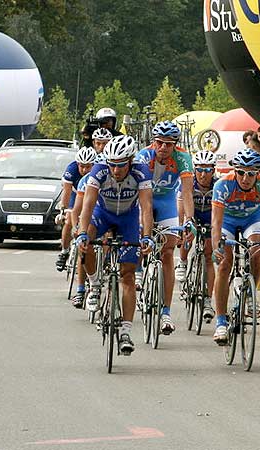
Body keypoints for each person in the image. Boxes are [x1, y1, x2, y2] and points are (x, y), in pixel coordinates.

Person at [76, 135, 153, 355]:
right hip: (103, 214)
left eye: (120, 165)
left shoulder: (141, 172)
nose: (116, 170)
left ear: (130, 161)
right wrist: (82, 233)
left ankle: (126, 332)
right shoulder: (99, 170)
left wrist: (146, 236)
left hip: (128, 218)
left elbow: (146, 207)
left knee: (127, 275)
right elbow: (88, 204)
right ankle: (94, 284)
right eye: (112, 165)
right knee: (87, 238)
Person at [211, 149, 260, 344]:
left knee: (256, 251)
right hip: (227, 221)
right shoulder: (222, 185)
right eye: (241, 172)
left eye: (251, 174)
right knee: (225, 264)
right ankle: (220, 322)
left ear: (258, 174)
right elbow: (216, 222)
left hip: (251, 220)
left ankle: (250, 295)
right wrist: (216, 246)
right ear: (234, 171)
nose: (245, 178)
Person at [136, 121, 194, 335]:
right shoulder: (143, 156)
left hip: (167, 202)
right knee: (141, 238)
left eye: (168, 144)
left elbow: (187, 193)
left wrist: (189, 220)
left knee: (168, 251)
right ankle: (139, 271)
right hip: (144, 201)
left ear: (175, 145)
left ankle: (166, 312)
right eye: (160, 143)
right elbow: (144, 197)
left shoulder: (183, 158)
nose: (163, 148)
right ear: (154, 142)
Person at [175, 150, 218, 322]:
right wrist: (182, 227)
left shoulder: (218, 185)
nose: (203, 174)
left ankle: (207, 300)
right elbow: (180, 207)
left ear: (213, 171)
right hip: (191, 214)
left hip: (210, 218)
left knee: (208, 256)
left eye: (207, 170)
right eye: (199, 169)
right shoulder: (188, 184)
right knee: (187, 233)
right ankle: (183, 262)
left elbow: (221, 212)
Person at [68, 151, 106, 308]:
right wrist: (76, 227)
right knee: (83, 246)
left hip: (106, 215)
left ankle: (105, 266)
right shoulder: (86, 181)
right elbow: (77, 209)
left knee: (109, 241)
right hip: (90, 215)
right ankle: (81, 289)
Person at [55, 146, 96, 272]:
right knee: (68, 220)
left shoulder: (97, 173)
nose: (84, 170)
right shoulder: (71, 169)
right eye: (81, 166)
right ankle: (64, 250)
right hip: (75, 195)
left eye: (88, 166)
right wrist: (63, 210)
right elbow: (66, 192)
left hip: (91, 194)